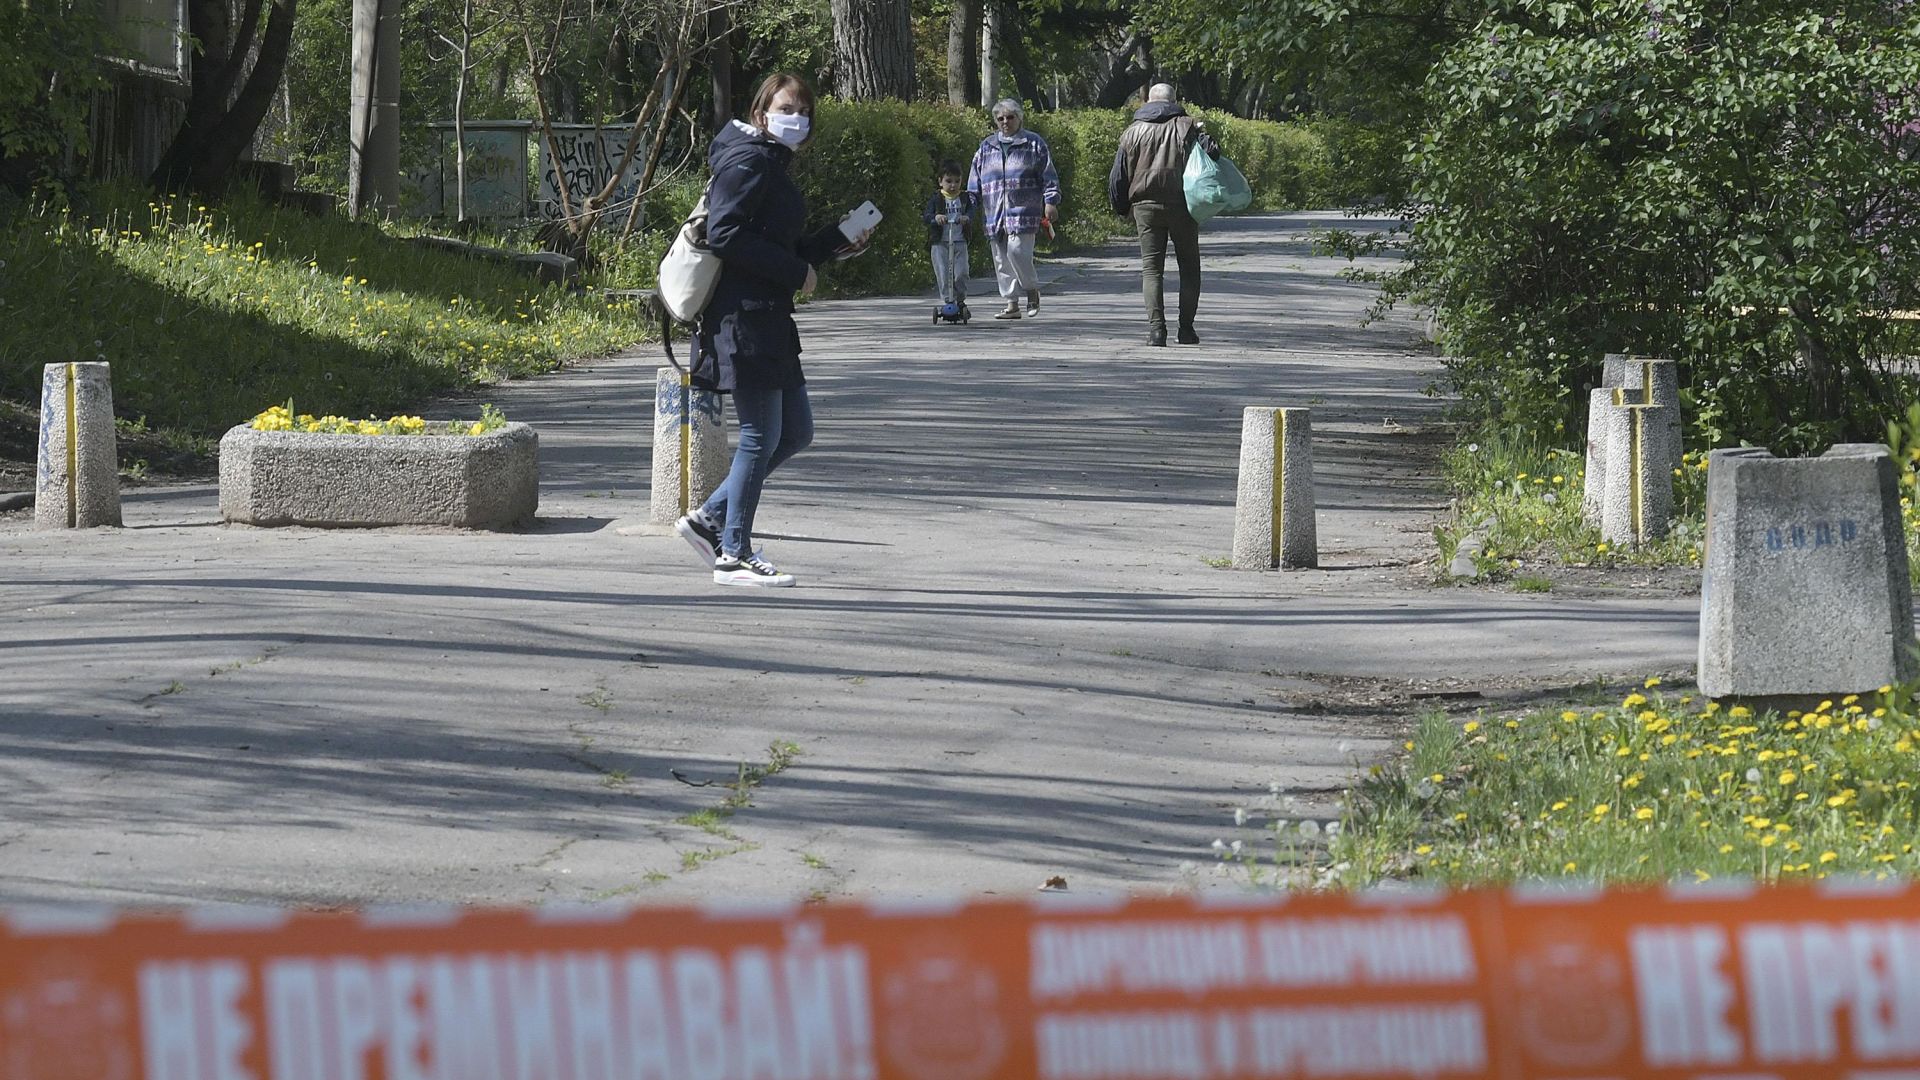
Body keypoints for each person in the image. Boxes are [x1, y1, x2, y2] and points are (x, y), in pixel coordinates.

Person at [673, 73, 870, 588]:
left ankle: (708, 519)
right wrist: (795, 272)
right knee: (760, 436)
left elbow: (778, 244)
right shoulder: (748, 160)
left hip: (769, 319)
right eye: (787, 109)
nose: (797, 119)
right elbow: (724, 234)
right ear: (761, 114)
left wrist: (834, 242)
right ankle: (732, 555)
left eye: (804, 112)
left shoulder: (770, 161)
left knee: (796, 432)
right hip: (743, 320)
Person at [1108, 83, 1217, 346]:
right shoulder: (1187, 127)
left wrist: (1121, 207)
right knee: (1189, 268)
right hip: (1183, 205)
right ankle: (1186, 329)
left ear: (1148, 101)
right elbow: (1213, 152)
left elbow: (1118, 176)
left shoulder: (1132, 132)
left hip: (1145, 206)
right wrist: (1201, 131)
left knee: (1151, 269)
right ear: (1174, 101)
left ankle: (1157, 331)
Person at [967, 99, 1060, 321]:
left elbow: (1048, 175)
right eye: (1000, 118)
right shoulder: (987, 146)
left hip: (1024, 212)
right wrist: (968, 206)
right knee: (1001, 260)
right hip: (994, 213)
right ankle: (1011, 304)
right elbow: (974, 179)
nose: (1005, 122)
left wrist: (1051, 201)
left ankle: (1031, 290)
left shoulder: (1033, 143)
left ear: (1019, 118)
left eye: (1010, 117)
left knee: (1018, 252)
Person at [923, 159, 977, 318]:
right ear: (940, 181)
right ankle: (948, 301)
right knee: (943, 272)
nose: (953, 185)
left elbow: (971, 212)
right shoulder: (936, 198)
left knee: (961, 273)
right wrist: (936, 217)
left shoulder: (964, 198)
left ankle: (960, 300)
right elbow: (926, 216)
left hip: (959, 240)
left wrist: (966, 217)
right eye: (948, 181)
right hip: (940, 241)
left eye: (956, 181)